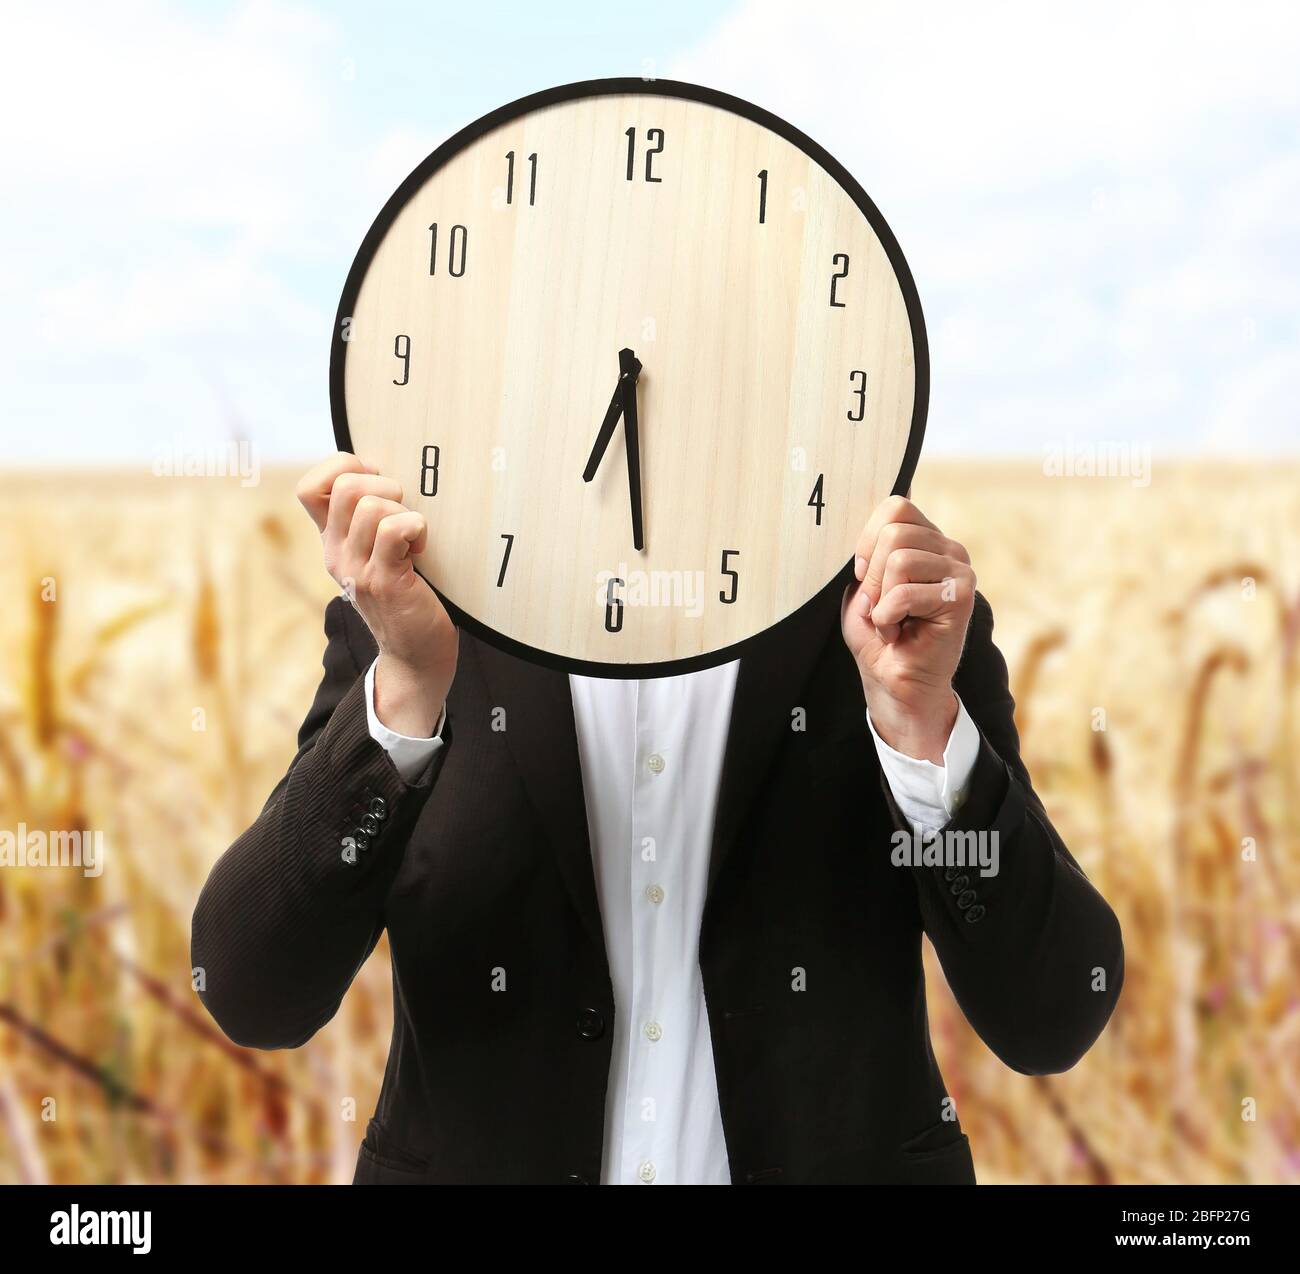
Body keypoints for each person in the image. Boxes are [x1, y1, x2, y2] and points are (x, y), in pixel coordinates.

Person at [191, 452, 1123, 1184]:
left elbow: (1053, 1013)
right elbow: (251, 989)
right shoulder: (418, 611)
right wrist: (403, 692)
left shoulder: (894, 619)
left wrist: (924, 730)